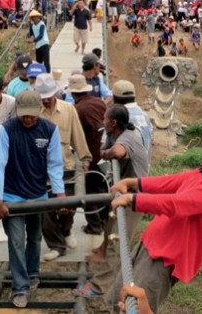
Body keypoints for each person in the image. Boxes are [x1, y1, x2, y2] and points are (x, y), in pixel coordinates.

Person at [108, 123, 202, 313]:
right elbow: (173, 181)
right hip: (152, 243)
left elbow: (179, 204)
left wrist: (133, 199)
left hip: (164, 258)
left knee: (135, 307)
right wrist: (134, 182)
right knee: (120, 297)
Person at [0, 90, 66, 308]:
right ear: (17, 112)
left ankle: (33, 272)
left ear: (39, 111)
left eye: (32, 115)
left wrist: (59, 194)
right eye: (24, 115)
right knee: (16, 242)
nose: (28, 119)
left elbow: (54, 164)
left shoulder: (50, 130)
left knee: (34, 238)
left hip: (38, 195)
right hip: (11, 196)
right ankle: (20, 288)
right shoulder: (7, 130)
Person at [73, 104, 149, 298]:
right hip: (123, 192)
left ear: (113, 123)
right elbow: (103, 147)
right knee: (108, 225)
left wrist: (105, 153)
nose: (102, 121)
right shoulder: (114, 133)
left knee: (118, 238)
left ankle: (99, 287)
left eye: (105, 119)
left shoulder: (127, 138)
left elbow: (116, 152)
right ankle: (102, 253)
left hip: (135, 197)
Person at [33, 74, 93, 261]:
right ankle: (56, 245)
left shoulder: (68, 110)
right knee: (45, 209)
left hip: (65, 165)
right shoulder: (33, 112)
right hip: (40, 170)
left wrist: (85, 158)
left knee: (69, 205)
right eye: (42, 97)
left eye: (48, 96)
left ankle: (66, 231)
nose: (46, 100)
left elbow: (77, 134)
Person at [66, 74, 107, 235]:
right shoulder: (99, 102)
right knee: (104, 188)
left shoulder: (77, 109)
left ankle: (94, 226)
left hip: (90, 155)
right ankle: (104, 221)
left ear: (74, 94)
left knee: (90, 192)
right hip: (104, 152)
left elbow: (77, 135)